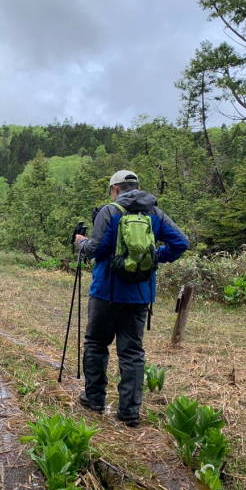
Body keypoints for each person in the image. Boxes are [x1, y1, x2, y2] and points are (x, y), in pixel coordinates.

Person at [74, 170, 188, 427]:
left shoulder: (110, 211)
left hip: (105, 292)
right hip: (140, 294)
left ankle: (94, 400)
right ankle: (129, 413)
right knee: (132, 353)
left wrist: (80, 243)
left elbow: (95, 249)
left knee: (95, 344)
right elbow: (181, 242)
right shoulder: (154, 212)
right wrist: (154, 256)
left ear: (115, 189)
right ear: (137, 187)